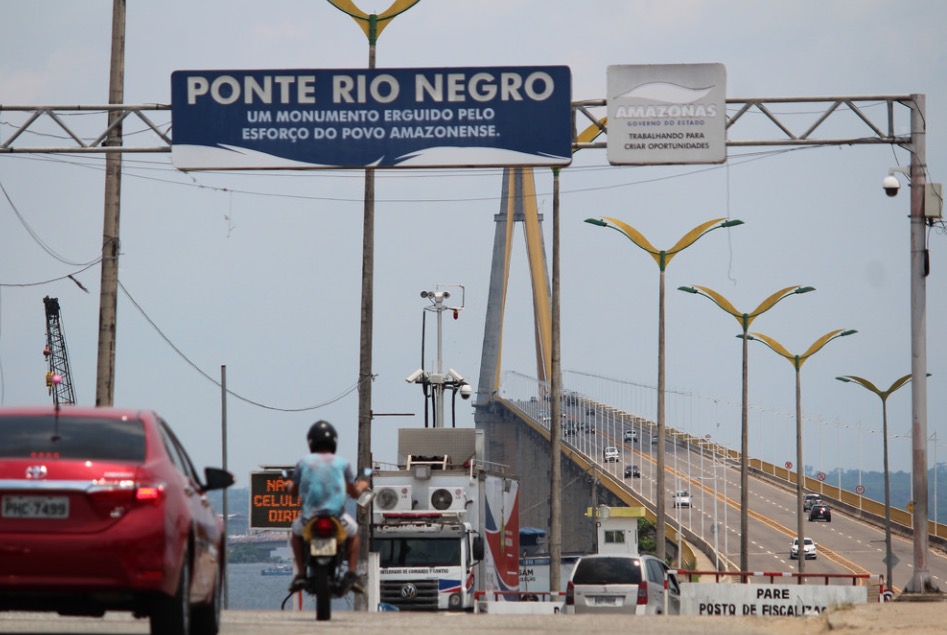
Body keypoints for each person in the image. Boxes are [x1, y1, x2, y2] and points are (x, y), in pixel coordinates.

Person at [288, 420, 368, 594]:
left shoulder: (303, 462)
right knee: (354, 534)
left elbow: (293, 492)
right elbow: (354, 493)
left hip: (309, 518)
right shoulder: (342, 463)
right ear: (334, 442)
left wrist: (288, 485)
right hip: (336, 518)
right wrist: (362, 486)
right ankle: (351, 573)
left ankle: (301, 573)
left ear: (311, 442)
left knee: (295, 533)